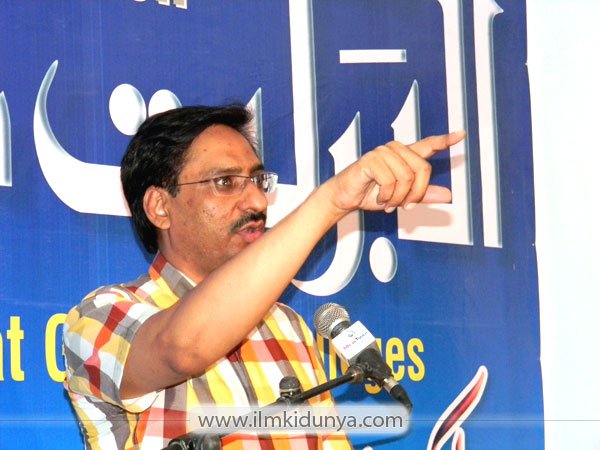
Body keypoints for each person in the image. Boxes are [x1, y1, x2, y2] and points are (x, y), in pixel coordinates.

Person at [62, 104, 464, 450]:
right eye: (225, 183)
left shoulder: (287, 326)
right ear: (160, 207)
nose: (257, 200)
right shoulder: (99, 316)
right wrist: (332, 202)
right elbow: (182, 348)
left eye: (258, 181)